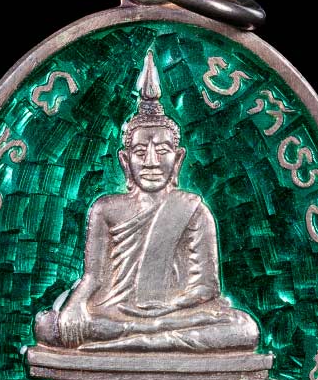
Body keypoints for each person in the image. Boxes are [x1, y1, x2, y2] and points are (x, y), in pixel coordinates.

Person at [35, 50, 259, 352]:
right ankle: (143, 337)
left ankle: (138, 338)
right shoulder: (105, 208)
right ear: (125, 161)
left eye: (162, 151)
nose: (151, 161)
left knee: (245, 329)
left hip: (177, 315)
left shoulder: (194, 210)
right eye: (140, 153)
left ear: (178, 159)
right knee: (47, 325)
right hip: (116, 313)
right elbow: (92, 278)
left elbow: (207, 287)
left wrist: (166, 310)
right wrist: (75, 306)